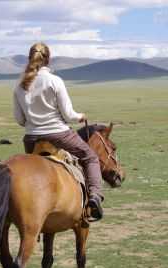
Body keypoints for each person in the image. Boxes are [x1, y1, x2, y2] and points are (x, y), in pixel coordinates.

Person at [13, 42, 103, 221]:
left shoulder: (19, 86)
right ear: (48, 59)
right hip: (58, 134)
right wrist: (80, 116)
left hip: (31, 138)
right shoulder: (55, 81)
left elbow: (20, 120)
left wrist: (35, 120)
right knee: (90, 156)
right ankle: (94, 197)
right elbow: (69, 115)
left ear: (29, 58)